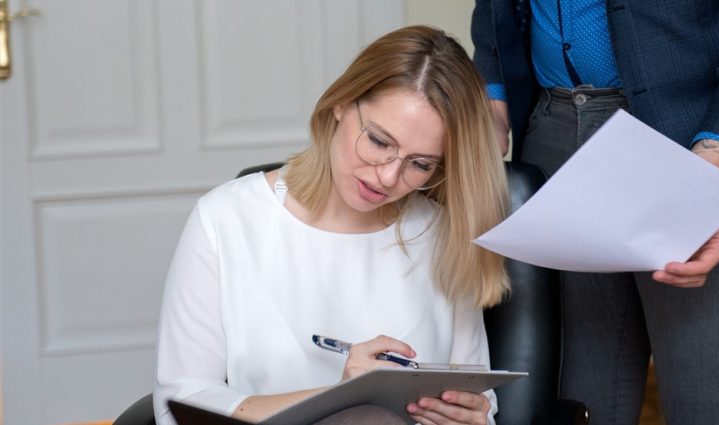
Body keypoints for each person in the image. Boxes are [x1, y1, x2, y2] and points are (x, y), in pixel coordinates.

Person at [472, 1, 719, 424]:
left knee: (716, 411)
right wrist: (492, 89)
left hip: (711, 136)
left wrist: (709, 164)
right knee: (577, 407)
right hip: (552, 142)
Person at [154, 25, 509, 425]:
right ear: (341, 103)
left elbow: (479, 396)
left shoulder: (442, 232)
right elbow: (181, 401)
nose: (389, 178)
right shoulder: (226, 220)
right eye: (378, 141)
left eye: (421, 164)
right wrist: (341, 399)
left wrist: (473, 417)